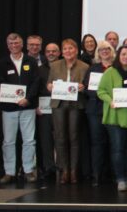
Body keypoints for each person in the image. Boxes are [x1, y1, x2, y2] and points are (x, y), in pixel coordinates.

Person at [97, 46, 127, 191]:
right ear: (118, 56)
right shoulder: (110, 72)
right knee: (118, 149)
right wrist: (110, 101)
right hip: (115, 117)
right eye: (123, 54)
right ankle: (120, 179)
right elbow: (101, 91)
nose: (126, 57)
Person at [0, 33, 40, 184]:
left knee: (29, 140)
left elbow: (36, 82)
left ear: (22, 45)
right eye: (11, 43)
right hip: (9, 108)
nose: (14, 45)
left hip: (28, 106)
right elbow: (0, 84)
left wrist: (28, 99)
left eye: (17, 43)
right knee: (8, 141)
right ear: (8, 45)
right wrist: (14, 100)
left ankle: (28, 170)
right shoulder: (2, 63)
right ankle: (9, 172)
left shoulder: (31, 61)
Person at [47, 39, 89, 185]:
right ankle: (64, 169)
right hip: (59, 104)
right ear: (62, 52)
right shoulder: (55, 65)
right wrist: (50, 86)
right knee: (60, 137)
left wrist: (83, 87)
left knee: (74, 137)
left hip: (76, 104)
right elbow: (49, 83)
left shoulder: (84, 66)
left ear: (76, 50)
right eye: (65, 49)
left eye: (71, 48)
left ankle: (73, 171)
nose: (68, 51)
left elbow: (87, 86)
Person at [83, 40, 114, 186]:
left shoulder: (117, 68)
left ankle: (113, 174)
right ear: (98, 52)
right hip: (95, 110)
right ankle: (97, 175)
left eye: (107, 48)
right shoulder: (92, 69)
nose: (105, 51)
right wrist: (102, 94)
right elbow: (87, 89)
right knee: (97, 143)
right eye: (101, 49)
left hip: (114, 110)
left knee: (113, 142)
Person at [35, 42, 60, 180]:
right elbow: (34, 89)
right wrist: (34, 106)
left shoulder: (64, 68)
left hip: (61, 108)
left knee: (61, 139)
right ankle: (48, 168)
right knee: (45, 140)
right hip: (43, 110)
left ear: (59, 53)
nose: (51, 53)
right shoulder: (38, 69)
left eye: (54, 51)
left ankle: (61, 167)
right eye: (48, 51)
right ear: (45, 53)